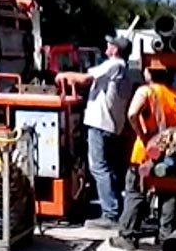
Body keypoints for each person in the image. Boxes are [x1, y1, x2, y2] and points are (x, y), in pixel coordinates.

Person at [55, 35, 135, 229]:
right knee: (111, 169)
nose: (107, 46)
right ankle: (118, 210)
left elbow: (84, 79)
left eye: (110, 44)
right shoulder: (125, 70)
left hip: (101, 124)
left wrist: (62, 76)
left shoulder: (114, 65)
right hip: (112, 125)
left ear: (115, 50)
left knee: (98, 167)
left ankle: (110, 214)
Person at [110, 68, 176, 250]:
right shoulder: (175, 95)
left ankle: (128, 236)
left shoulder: (146, 91)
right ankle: (166, 239)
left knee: (135, 191)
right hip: (169, 152)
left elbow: (132, 113)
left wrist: (142, 135)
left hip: (146, 153)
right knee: (168, 195)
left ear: (149, 73)